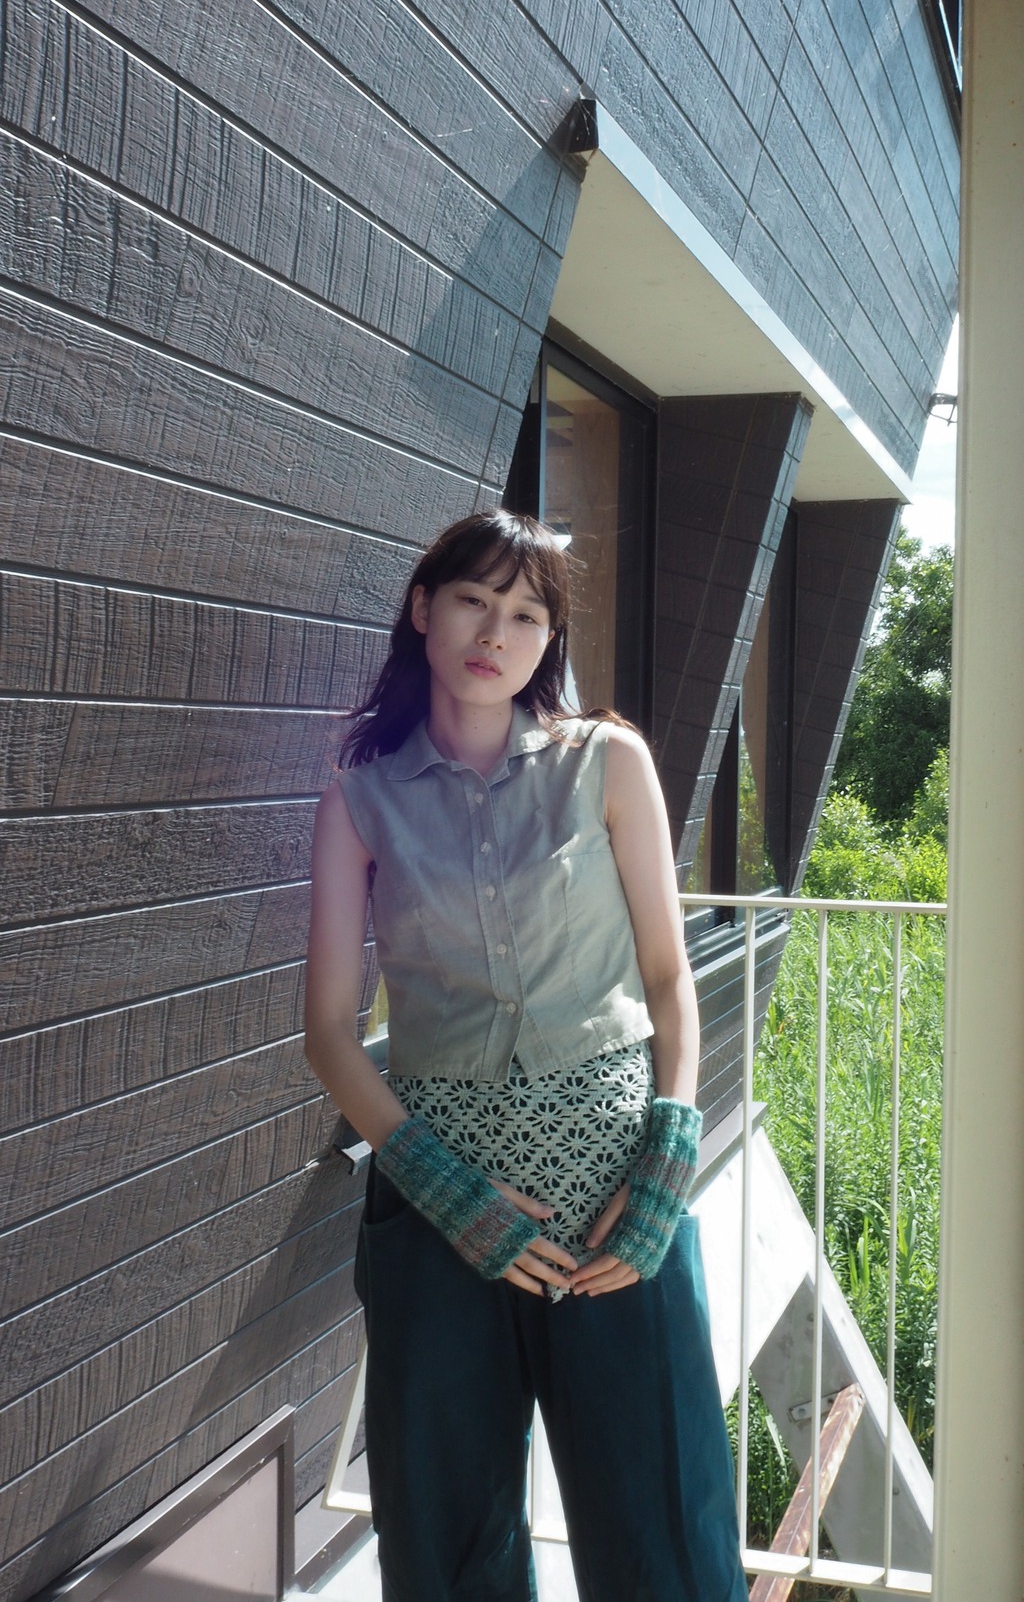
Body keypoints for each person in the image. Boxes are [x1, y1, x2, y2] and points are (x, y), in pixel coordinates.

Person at [304, 509, 747, 1602]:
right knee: (447, 1544)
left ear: (550, 639)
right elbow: (328, 1032)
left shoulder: (607, 762)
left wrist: (667, 1160)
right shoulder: (360, 798)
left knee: (664, 1537)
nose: (494, 633)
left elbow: (667, 978)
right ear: (424, 609)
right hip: (438, 1219)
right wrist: (449, 1193)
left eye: (525, 614)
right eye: (473, 600)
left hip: (617, 1209)